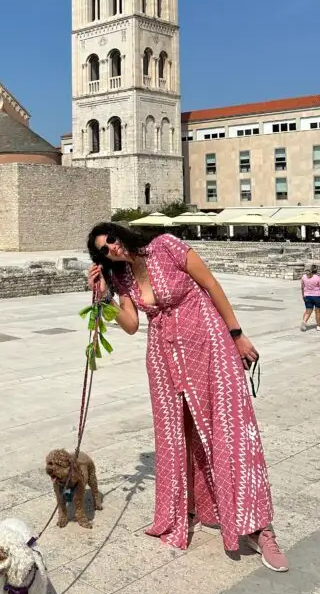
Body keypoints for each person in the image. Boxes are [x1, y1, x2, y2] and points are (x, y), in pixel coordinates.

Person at [86, 222, 288, 572]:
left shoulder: (166, 246)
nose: (112, 249)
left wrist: (237, 334)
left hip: (208, 342)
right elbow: (131, 325)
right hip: (164, 356)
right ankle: (190, 507)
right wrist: (105, 298)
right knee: (176, 434)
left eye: (112, 240)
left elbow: (211, 284)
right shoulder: (123, 277)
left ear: (121, 233)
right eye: (104, 250)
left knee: (230, 432)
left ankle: (259, 528)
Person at [300, 264, 320, 332]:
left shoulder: (304, 277)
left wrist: (303, 295)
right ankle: (318, 326)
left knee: (308, 311)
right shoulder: (318, 278)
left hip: (307, 296)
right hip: (317, 296)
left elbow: (302, 287)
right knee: (318, 312)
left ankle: (304, 322)